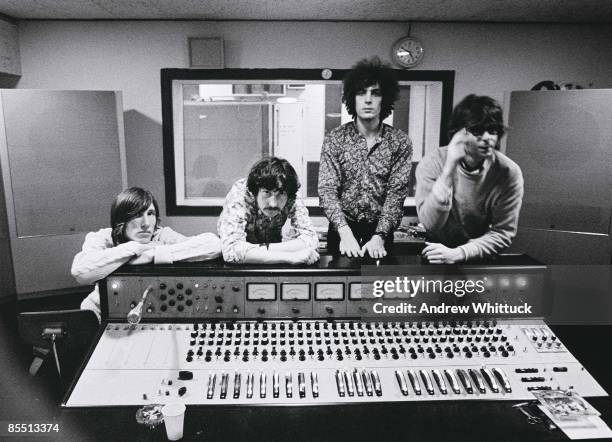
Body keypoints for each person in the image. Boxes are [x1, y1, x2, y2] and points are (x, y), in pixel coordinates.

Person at [72, 187, 222, 321]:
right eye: (137, 214)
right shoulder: (103, 237)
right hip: (101, 312)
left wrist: (152, 254)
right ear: (121, 219)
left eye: (150, 213)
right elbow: (80, 272)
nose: (146, 223)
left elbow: (214, 244)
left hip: (153, 311)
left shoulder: (161, 235)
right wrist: (135, 248)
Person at [318, 57, 413, 259]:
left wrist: (379, 235)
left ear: (385, 99)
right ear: (352, 98)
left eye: (375, 93)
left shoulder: (400, 142)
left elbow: (396, 194)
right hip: (342, 230)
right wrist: (345, 233)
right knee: (338, 287)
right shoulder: (335, 139)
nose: (368, 99)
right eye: (361, 92)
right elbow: (327, 190)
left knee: (376, 287)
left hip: (380, 232)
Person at [415, 94, 524, 263]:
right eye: (478, 131)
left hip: (478, 255)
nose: (488, 138)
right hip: (436, 253)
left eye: (493, 130)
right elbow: (431, 224)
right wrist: (449, 167)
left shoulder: (509, 172)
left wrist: (459, 253)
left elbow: (503, 232)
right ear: (458, 133)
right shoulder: (433, 162)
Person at [218, 157, 319, 265]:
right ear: (255, 192)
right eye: (267, 193)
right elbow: (231, 250)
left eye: (280, 194)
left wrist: (258, 250)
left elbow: (312, 240)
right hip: (245, 266)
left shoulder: (290, 194)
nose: (273, 203)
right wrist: (291, 256)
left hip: (263, 254)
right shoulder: (240, 194)